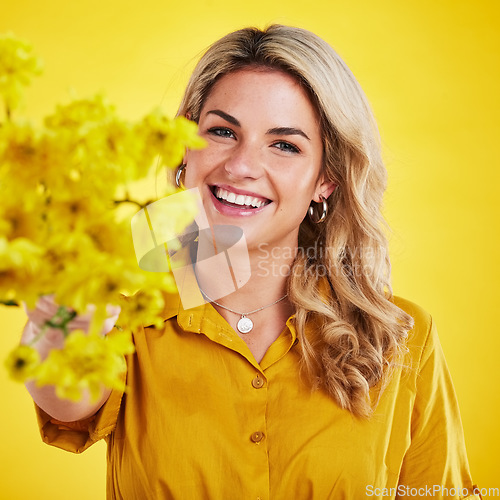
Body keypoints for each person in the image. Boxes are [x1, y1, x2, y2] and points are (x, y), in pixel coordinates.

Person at [22, 25, 480, 499]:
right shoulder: (127, 327)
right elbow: (67, 398)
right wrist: (55, 336)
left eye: (284, 145)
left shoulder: (404, 339)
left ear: (326, 178)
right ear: (185, 148)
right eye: (222, 131)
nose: (241, 165)